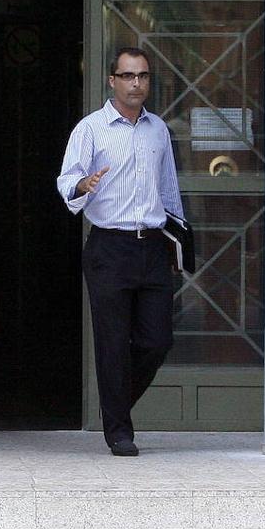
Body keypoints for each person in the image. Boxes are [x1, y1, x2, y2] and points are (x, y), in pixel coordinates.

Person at [56, 48, 185, 457]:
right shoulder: (91, 129)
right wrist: (84, 185)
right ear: (112, 81)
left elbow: (169, 191)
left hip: (152, 244)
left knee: (157, 340)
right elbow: (66, 181)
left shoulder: (158, 130)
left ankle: (114, 403)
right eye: (127, 76)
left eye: (143, 76)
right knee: (112, 342)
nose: (136, 84)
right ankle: (119, 430)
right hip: (109, 246)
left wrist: (178, 244)